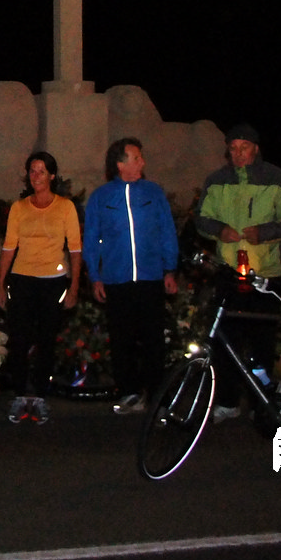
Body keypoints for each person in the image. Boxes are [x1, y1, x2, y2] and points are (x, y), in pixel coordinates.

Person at [195, 123, 281, 423]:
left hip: (266, 274)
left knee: (262, 343)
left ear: (255, 148)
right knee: (225, 341)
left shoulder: (276, 179)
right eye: (233, 148)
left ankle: (261, 403)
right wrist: (219, 230)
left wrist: (265, 233)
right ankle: (227, 401)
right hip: (229, 273)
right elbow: (201, 218)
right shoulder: (216, 180)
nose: (238, 153)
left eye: (244, 147)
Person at [83, 138, 179, 415]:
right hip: (117, 280)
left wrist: (170, 269)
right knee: (122, 340)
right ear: (120, 164)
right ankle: (129, 393)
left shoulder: (153, 192)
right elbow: (91, 239)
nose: (142, 162)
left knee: (153, 341)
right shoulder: (101, 197)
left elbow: (167, 231)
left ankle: (157, 398)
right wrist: (95, 276)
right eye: (136, 158)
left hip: (151, 278)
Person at [0, 151, 81, 425]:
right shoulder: (19, 208)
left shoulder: (65, 207)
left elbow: (75, 250)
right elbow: (8, 247)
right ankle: (20, 394)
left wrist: (74, 287)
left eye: (41, 171)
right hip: (22, 279)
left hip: (53, 282)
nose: (36, 176)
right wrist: (1, 284)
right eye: (32, 171)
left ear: (52, 176)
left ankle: (41, 395)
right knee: (19, 340)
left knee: (46, 341)